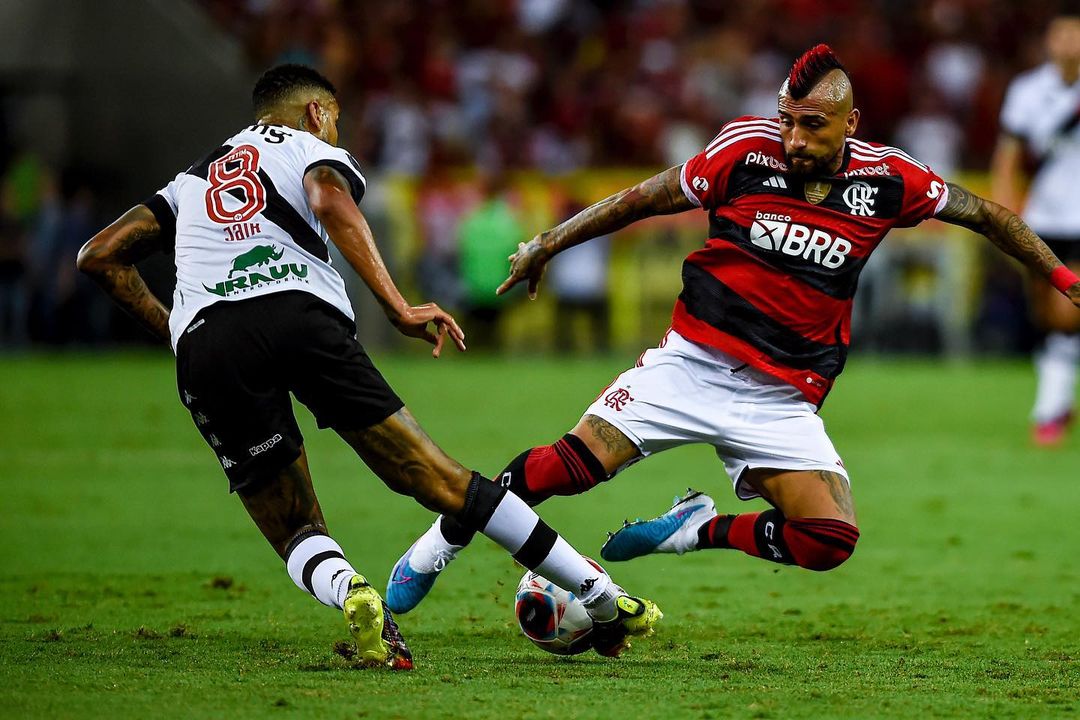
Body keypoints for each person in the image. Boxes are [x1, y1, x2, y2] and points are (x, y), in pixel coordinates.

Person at [386, 44, 1080, 614]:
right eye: (787, 120)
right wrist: (548, 241)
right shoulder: (744, 153)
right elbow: (639, 199)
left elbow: (990, 215)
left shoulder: (890, 180)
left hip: (781, 398)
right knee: (564, 468)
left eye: (811, 124)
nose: (794, 138)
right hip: (691, 364)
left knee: (829, 539)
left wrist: (1065, 280)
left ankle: (697, 529)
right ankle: (435, 546)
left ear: (850, 122)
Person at [76, 64, 660, 670]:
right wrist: (398, 305)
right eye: (336, 119)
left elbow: (99, 256)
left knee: (294, 527)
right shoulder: (307, 148)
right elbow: (330, 200)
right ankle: (602, 594)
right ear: (316, 113)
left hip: (210, 340)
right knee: (438, 477)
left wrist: (177, 331)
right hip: (300, 315)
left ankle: (354, 594)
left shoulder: (187, 183)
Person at [991, 7, 1080, 445]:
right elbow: (1007, 157)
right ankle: (1061, 399)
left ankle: (1049, 410)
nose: (1068, 44)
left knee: (1068, 310)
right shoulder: (1028, 90)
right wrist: (1005, 215)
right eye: (1061, 36)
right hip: (1043, 217)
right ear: (1049, 41)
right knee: (1046, 316)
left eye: (1075, 36)